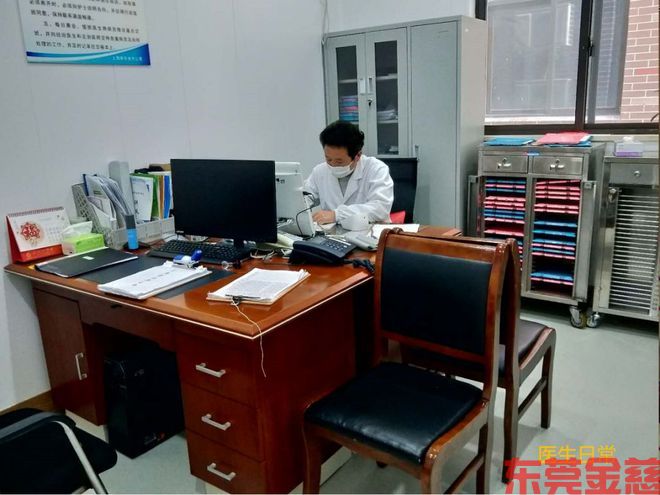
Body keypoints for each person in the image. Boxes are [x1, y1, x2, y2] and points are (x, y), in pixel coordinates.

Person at [304, 120, 394, 225]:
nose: (333, 165)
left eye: (339, 161)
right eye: (328, 159)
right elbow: (304, 199)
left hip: (370, 232)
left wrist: (336, 215)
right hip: (333, 233)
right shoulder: (319, 171)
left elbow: (380, 209)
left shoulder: (376, 169)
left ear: (358, 155)